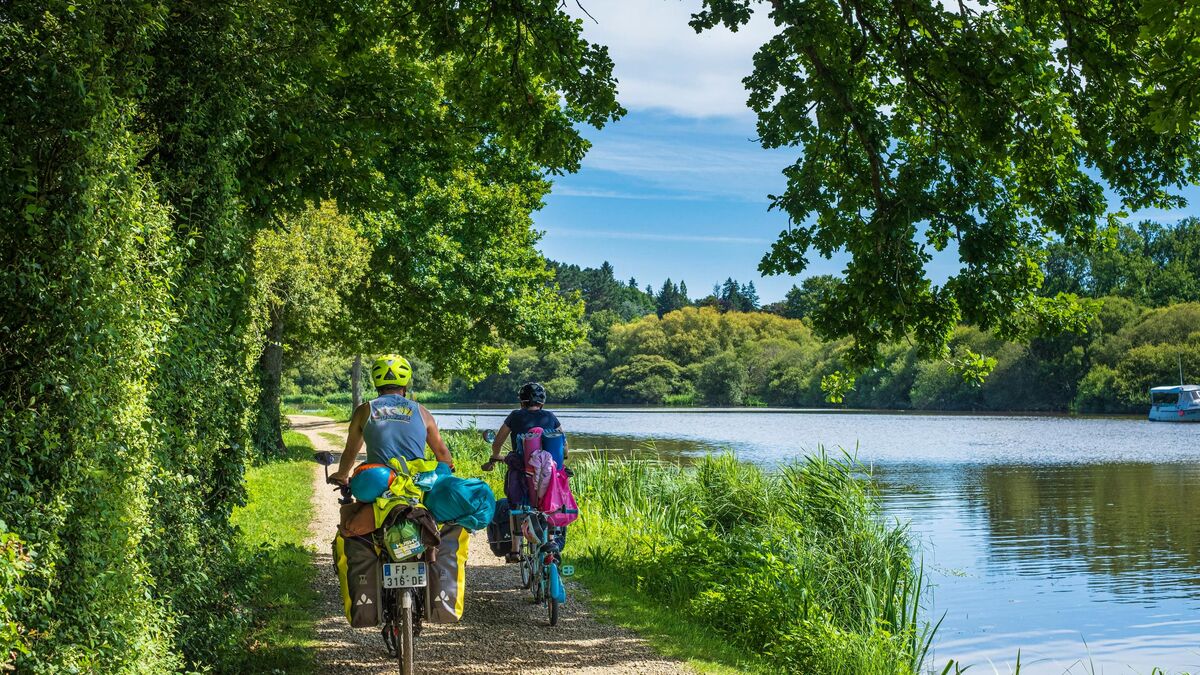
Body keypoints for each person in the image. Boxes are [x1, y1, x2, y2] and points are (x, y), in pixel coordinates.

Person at [329, 354, 453, 486]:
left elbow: (350, 450)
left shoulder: (364, 410)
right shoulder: (422, 411)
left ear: (376, 382)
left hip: (378, 480)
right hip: (415, 482)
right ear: (405, 382)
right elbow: (442, 452)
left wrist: (342, 475)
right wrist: (448, 470)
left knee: (351, 507)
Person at [482, 382, 567, 472]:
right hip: (548, 471)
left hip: (521, 469)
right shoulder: (550, 416)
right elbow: (564, 444)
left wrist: (496, 455)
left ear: (522, 402)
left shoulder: (515, 415)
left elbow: (497, 442)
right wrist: (564, 456)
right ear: (542, 403)